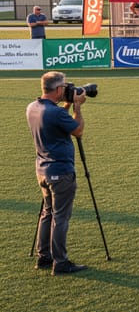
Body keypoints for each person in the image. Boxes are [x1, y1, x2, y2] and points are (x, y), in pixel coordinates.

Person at [26, 71, 88, 275]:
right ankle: (60, 262)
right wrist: (77, 107)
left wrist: (67, 105)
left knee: (47, 213)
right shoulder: (56, 113)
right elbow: (78, 130)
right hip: (61, 172)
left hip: (42, 171)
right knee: (60, 217)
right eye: (65, 87)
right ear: (59, 89)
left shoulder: (33, 107)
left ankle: (44, 256)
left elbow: (53, 121)